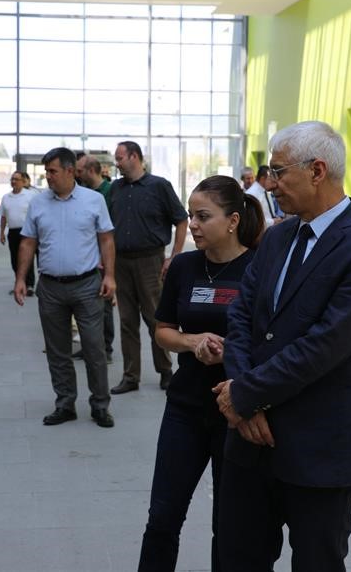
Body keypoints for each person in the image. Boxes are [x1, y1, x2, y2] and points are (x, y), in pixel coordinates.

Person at [213, 121, 351, 571]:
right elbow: (240, 317)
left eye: (278, 172)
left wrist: (247, 395)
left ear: (317, 171)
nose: (270, 184)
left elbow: (326, 346)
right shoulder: (277, 237)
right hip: (249, 445)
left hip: (317, 451)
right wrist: (242, 391)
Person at [139, 176, 264, 571]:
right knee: (162, 517)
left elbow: (270, 342)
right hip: (186, 408)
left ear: (232, 220)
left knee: (228, 527)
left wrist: (233, 354)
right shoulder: (184, 267)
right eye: (191, 215)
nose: (192, 224)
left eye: (203, 216)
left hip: (235, 413)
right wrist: (193, 343)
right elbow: (163, 332)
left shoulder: (259, 270)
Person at [15, 147, 117, 428]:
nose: (47, 176)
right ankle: (65, 404)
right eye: (46, 171)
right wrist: (21, 278)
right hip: (50, 287)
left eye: (52, 171)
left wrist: (110, 277)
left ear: (70, 171)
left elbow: (107, 240)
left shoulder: (94, 200)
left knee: (94, 347)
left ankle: (100, 405)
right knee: (57, 349)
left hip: (87, 284)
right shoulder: (38, 203)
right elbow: (27, 242)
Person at [109, 140, 189, 393]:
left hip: (151, 261)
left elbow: (181, 220)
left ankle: (165, 371)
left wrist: (173, 256)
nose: (117, 162)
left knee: (156, 318)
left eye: (120, 158)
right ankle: (131, 376)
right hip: (121, 261)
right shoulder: (115, 189)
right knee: (127, 321)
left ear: (134, 157)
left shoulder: (159, 186)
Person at [76, 153, 115, 363]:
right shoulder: (84, 193)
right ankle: (89, 345)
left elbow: (109, 231)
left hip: (103, 257)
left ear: (91, 170)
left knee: (105, 304)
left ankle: (105, 347)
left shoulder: (109, 192)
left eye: (80, 171)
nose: (77, 174)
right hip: (88, 258)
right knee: (88, 305)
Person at [0, 171, 39, 296]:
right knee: (14, 259)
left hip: (27, 231)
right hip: (12, 231)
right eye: (12, 179)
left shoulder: (30, 195)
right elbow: (3, 216)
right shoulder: (6, 197)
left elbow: (36, 214)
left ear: (23, 181)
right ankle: (19, 283)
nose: (14, 182)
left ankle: (30, 285)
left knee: (27, 258)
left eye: (16, 179)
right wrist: (1, 233)